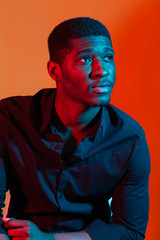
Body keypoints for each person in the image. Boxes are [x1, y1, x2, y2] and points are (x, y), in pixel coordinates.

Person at [0, 17, 150, 240]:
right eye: (86, 59)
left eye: (108, 58)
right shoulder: (9, 118)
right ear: (54, 71)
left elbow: (130, 230)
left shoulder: (130, 139)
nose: (102, 71)